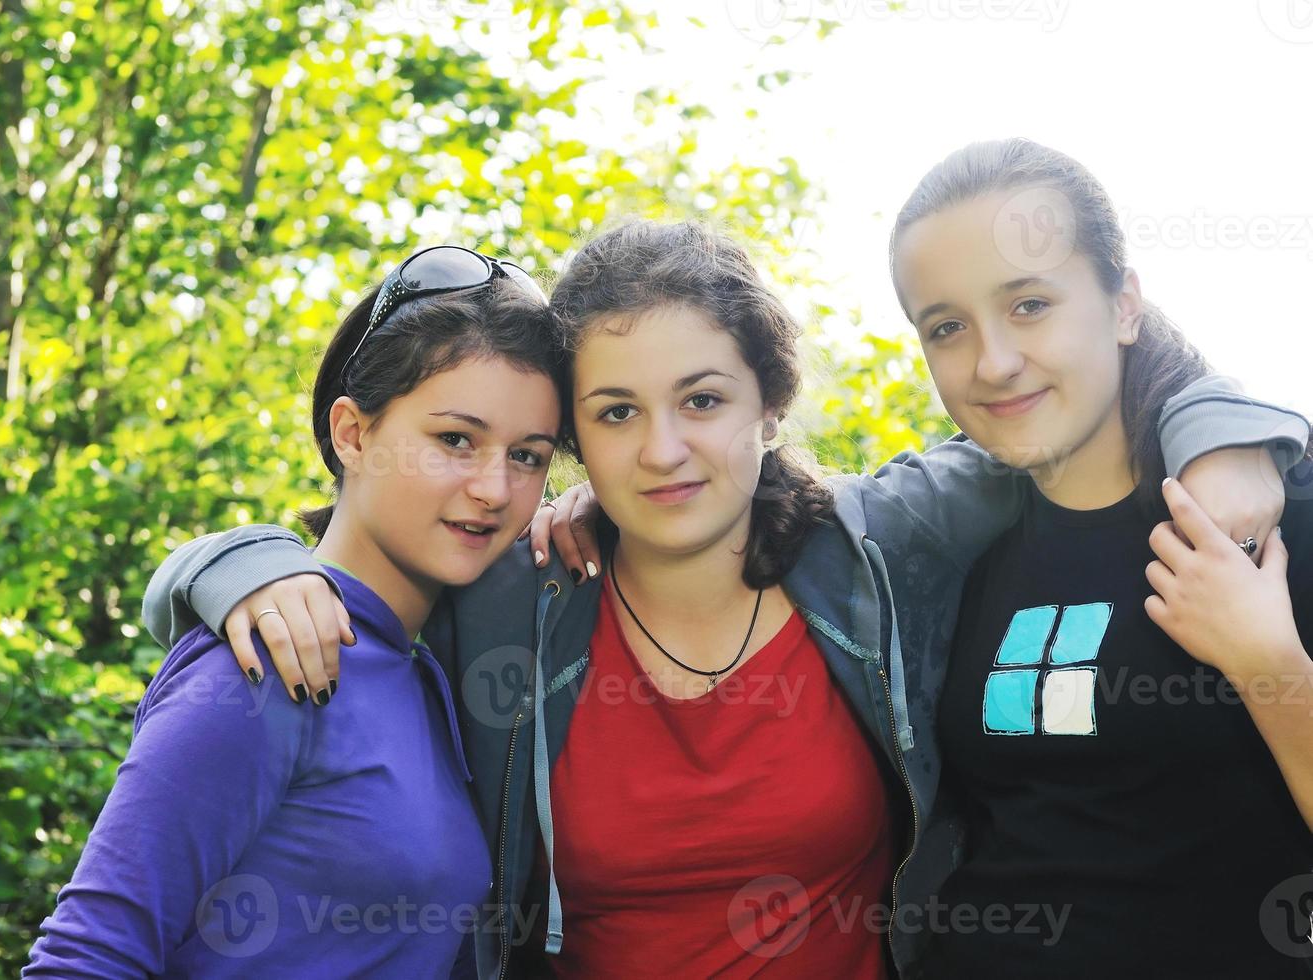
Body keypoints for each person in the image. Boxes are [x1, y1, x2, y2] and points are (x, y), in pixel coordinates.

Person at [138, 220, 1305, 978]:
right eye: (614, 413)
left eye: (701, 398)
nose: (662, 452)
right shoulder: (511, 593)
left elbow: (1068, 389)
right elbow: (362, 545)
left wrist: (1229, 431)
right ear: (573, 437)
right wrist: (231, 560)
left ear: (768, 405)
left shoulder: (879, 541)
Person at [24, 246, 561, 976]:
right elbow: (86, 958)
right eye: (455, 440)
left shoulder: (433, 668)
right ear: (353, 433)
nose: (494, 489)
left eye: (528, 456)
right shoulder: (271, 657)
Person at [885, 138, 1313, 978]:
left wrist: (1268, 664)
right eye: (947, 327)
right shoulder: (948, 550)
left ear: (1125, 305)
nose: (993, 362)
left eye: (1030, 305)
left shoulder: (1272, 514)